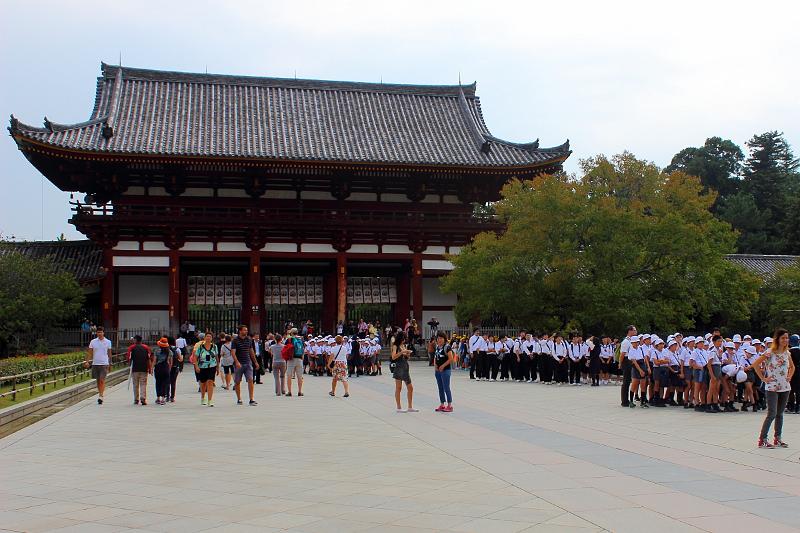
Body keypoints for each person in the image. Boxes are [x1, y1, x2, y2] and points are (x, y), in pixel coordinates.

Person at [754, 329, 795, 448]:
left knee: (780, 413)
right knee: (772, 413)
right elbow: (756, 364)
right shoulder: (769, 352)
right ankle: (763, 439)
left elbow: (792, 367)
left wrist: (789, 376)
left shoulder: (787, 353)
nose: (785, 340)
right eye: (783, 338)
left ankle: (778, 438)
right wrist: (763, 378)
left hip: (785, 387)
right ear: (777, 339)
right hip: (772, 386)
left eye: (787, 338)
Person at [231, 325, 259, 406]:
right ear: (240, 331)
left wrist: (255, 362)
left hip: (248, 363)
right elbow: (233, 352)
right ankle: (239, 399)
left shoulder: (249, 339)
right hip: (239, 364)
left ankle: (251, 399)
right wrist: (236, 362)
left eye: (246, 330)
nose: (246, 331)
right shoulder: (235, 340)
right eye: (244, 330)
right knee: (237, 382)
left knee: (250, 380)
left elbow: (251, 351)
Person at [85, 327, 113, 405]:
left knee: (102, 380)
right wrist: (87, 361)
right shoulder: (93, 342)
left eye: (101, 332)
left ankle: (101, 396)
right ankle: (100, 393)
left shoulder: (108, 342)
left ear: (103, 333)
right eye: (98, 332)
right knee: (98, 380)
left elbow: (109, 353)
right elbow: (90, 352)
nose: (99, 334)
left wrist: (110, 363)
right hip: (95, 363)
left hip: (104, 363)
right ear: (96, 333)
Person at [391, 331, 417, 412]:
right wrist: (402, 352)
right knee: (399, 388)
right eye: (403, 338)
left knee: (410, 388)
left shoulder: (403, 345)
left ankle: (410, 406)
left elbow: (405, 357)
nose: (404, 340)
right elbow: (393, 357)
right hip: (398, 367)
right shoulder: (395, 346)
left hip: (405, 367)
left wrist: (407, 354)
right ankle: (399, 407)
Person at [194, 332, 219, 407]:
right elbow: (195, 357)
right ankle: (203, 397)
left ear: (212, 338)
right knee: (203, 383)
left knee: (210, 381)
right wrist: (196, 366)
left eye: (210, 336)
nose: (208, 338)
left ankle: (210, 400)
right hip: (202, 366)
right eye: (207, 336)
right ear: (204, 338)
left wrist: (218, 367)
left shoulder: (214, 346)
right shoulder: (200, 347)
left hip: (212, 366)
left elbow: (217, 357)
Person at [126, 335, 153, 405]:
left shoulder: (131, 348)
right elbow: (149, 358)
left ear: (135, 340)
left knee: (135, 384)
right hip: (144, 368)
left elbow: (128, 358)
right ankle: (143, 398)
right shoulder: (146, 348)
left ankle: (136, 399)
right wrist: (150, 369)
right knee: (143, 384)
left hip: (135, 369)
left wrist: (129, 366)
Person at [433, 331, 454, 412]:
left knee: (446, 387)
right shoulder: (437, 347)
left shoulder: (447, 347)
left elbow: (451, 359)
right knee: (440, 387)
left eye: (441, 338)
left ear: (444, 339)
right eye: (438, 338)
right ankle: (442, 404)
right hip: (438, 371)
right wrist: (435, 365)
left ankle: (449, 405)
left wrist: (443, 366)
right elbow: (435, 357)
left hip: (445, 370)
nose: (439, 340)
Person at [152, 337, 173, 405]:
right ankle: (163, 399)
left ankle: (158, 398)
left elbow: (154, 361)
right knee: (164, 384)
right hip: (165, 368)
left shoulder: (156, 351)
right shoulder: (169, 351)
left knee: (158, 382)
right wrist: (169, 369)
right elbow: (170, 362)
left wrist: (151, 368)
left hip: (158, 368)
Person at [619, 326, 637, 407]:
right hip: (626, 361)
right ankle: (624, 401)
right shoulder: (626, 341)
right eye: (634, 330)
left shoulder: (632, 340)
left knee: (629, 380)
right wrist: (620, 363)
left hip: (631, 360)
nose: (636, 331)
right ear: (630, 331)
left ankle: (627, 399)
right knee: (626, 381)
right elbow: (622, 354)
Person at [285, 328, 305, 397]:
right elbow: (303, 349)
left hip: (291, 359)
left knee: (289, 376)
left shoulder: (289, 340)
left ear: (291, 333)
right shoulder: (300, 340)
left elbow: (285, 349)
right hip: (299, 359)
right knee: (300, 376)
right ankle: (300, 391)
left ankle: (289, 392)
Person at [167, 336, 183, 403]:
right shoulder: (177, 349)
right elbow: (180, 359)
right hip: (175, 367)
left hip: (167, 367)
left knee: (167, 382)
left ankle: (167, 396)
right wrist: (181, 357)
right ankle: (172, 397)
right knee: (173, 382)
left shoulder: (166, 349)